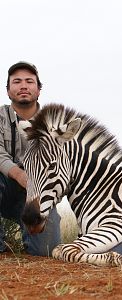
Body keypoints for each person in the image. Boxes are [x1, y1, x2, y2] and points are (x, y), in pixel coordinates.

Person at [0, 61, 61, 256]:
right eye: (17, 82)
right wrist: (20, 176)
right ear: (9, 91)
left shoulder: (53, 123)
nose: (23, 86)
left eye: (29, 81)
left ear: (38, 90)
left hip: (37, 193)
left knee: (46, 251)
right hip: (5, 185)